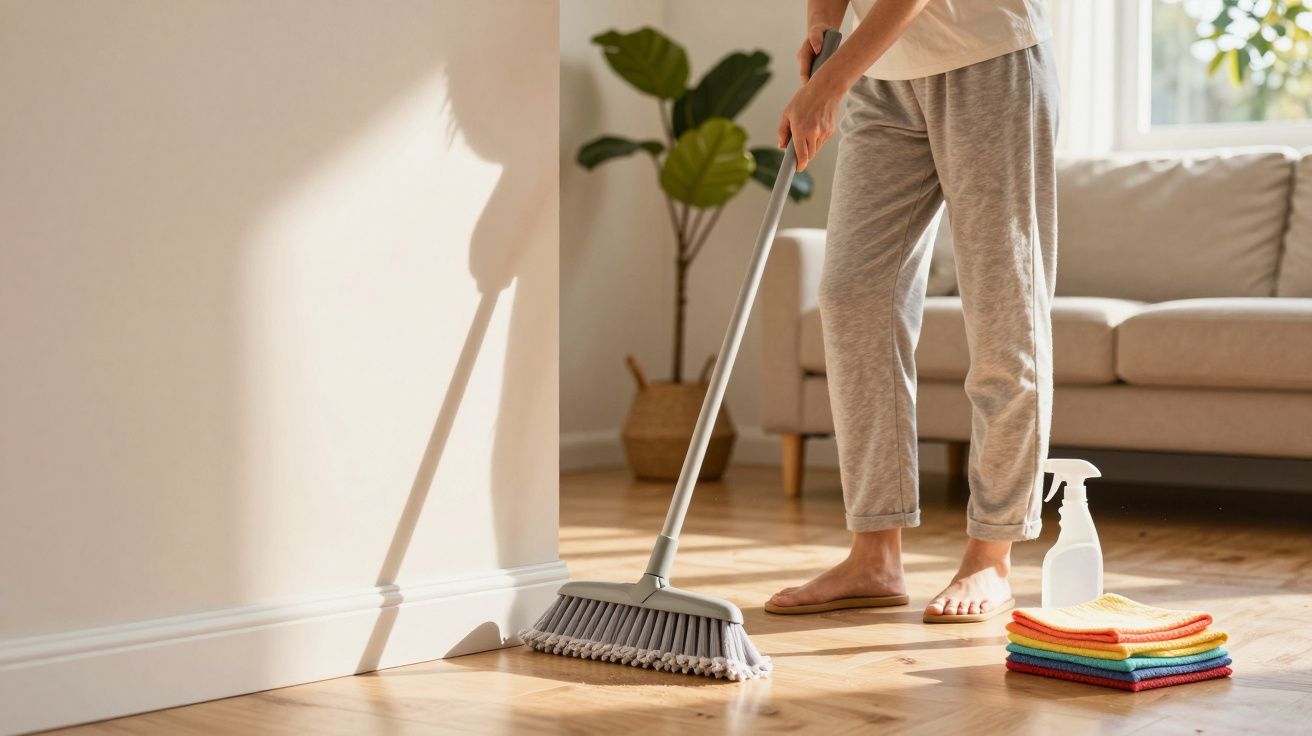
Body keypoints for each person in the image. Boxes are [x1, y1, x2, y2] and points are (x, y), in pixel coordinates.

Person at [766, 0, 1058, 623]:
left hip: (988, 60)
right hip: (883, 77)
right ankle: (875, 554)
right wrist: (821, 24)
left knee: (1003, 308)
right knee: (853, 296)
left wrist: (831, 80)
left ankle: (992, 553)